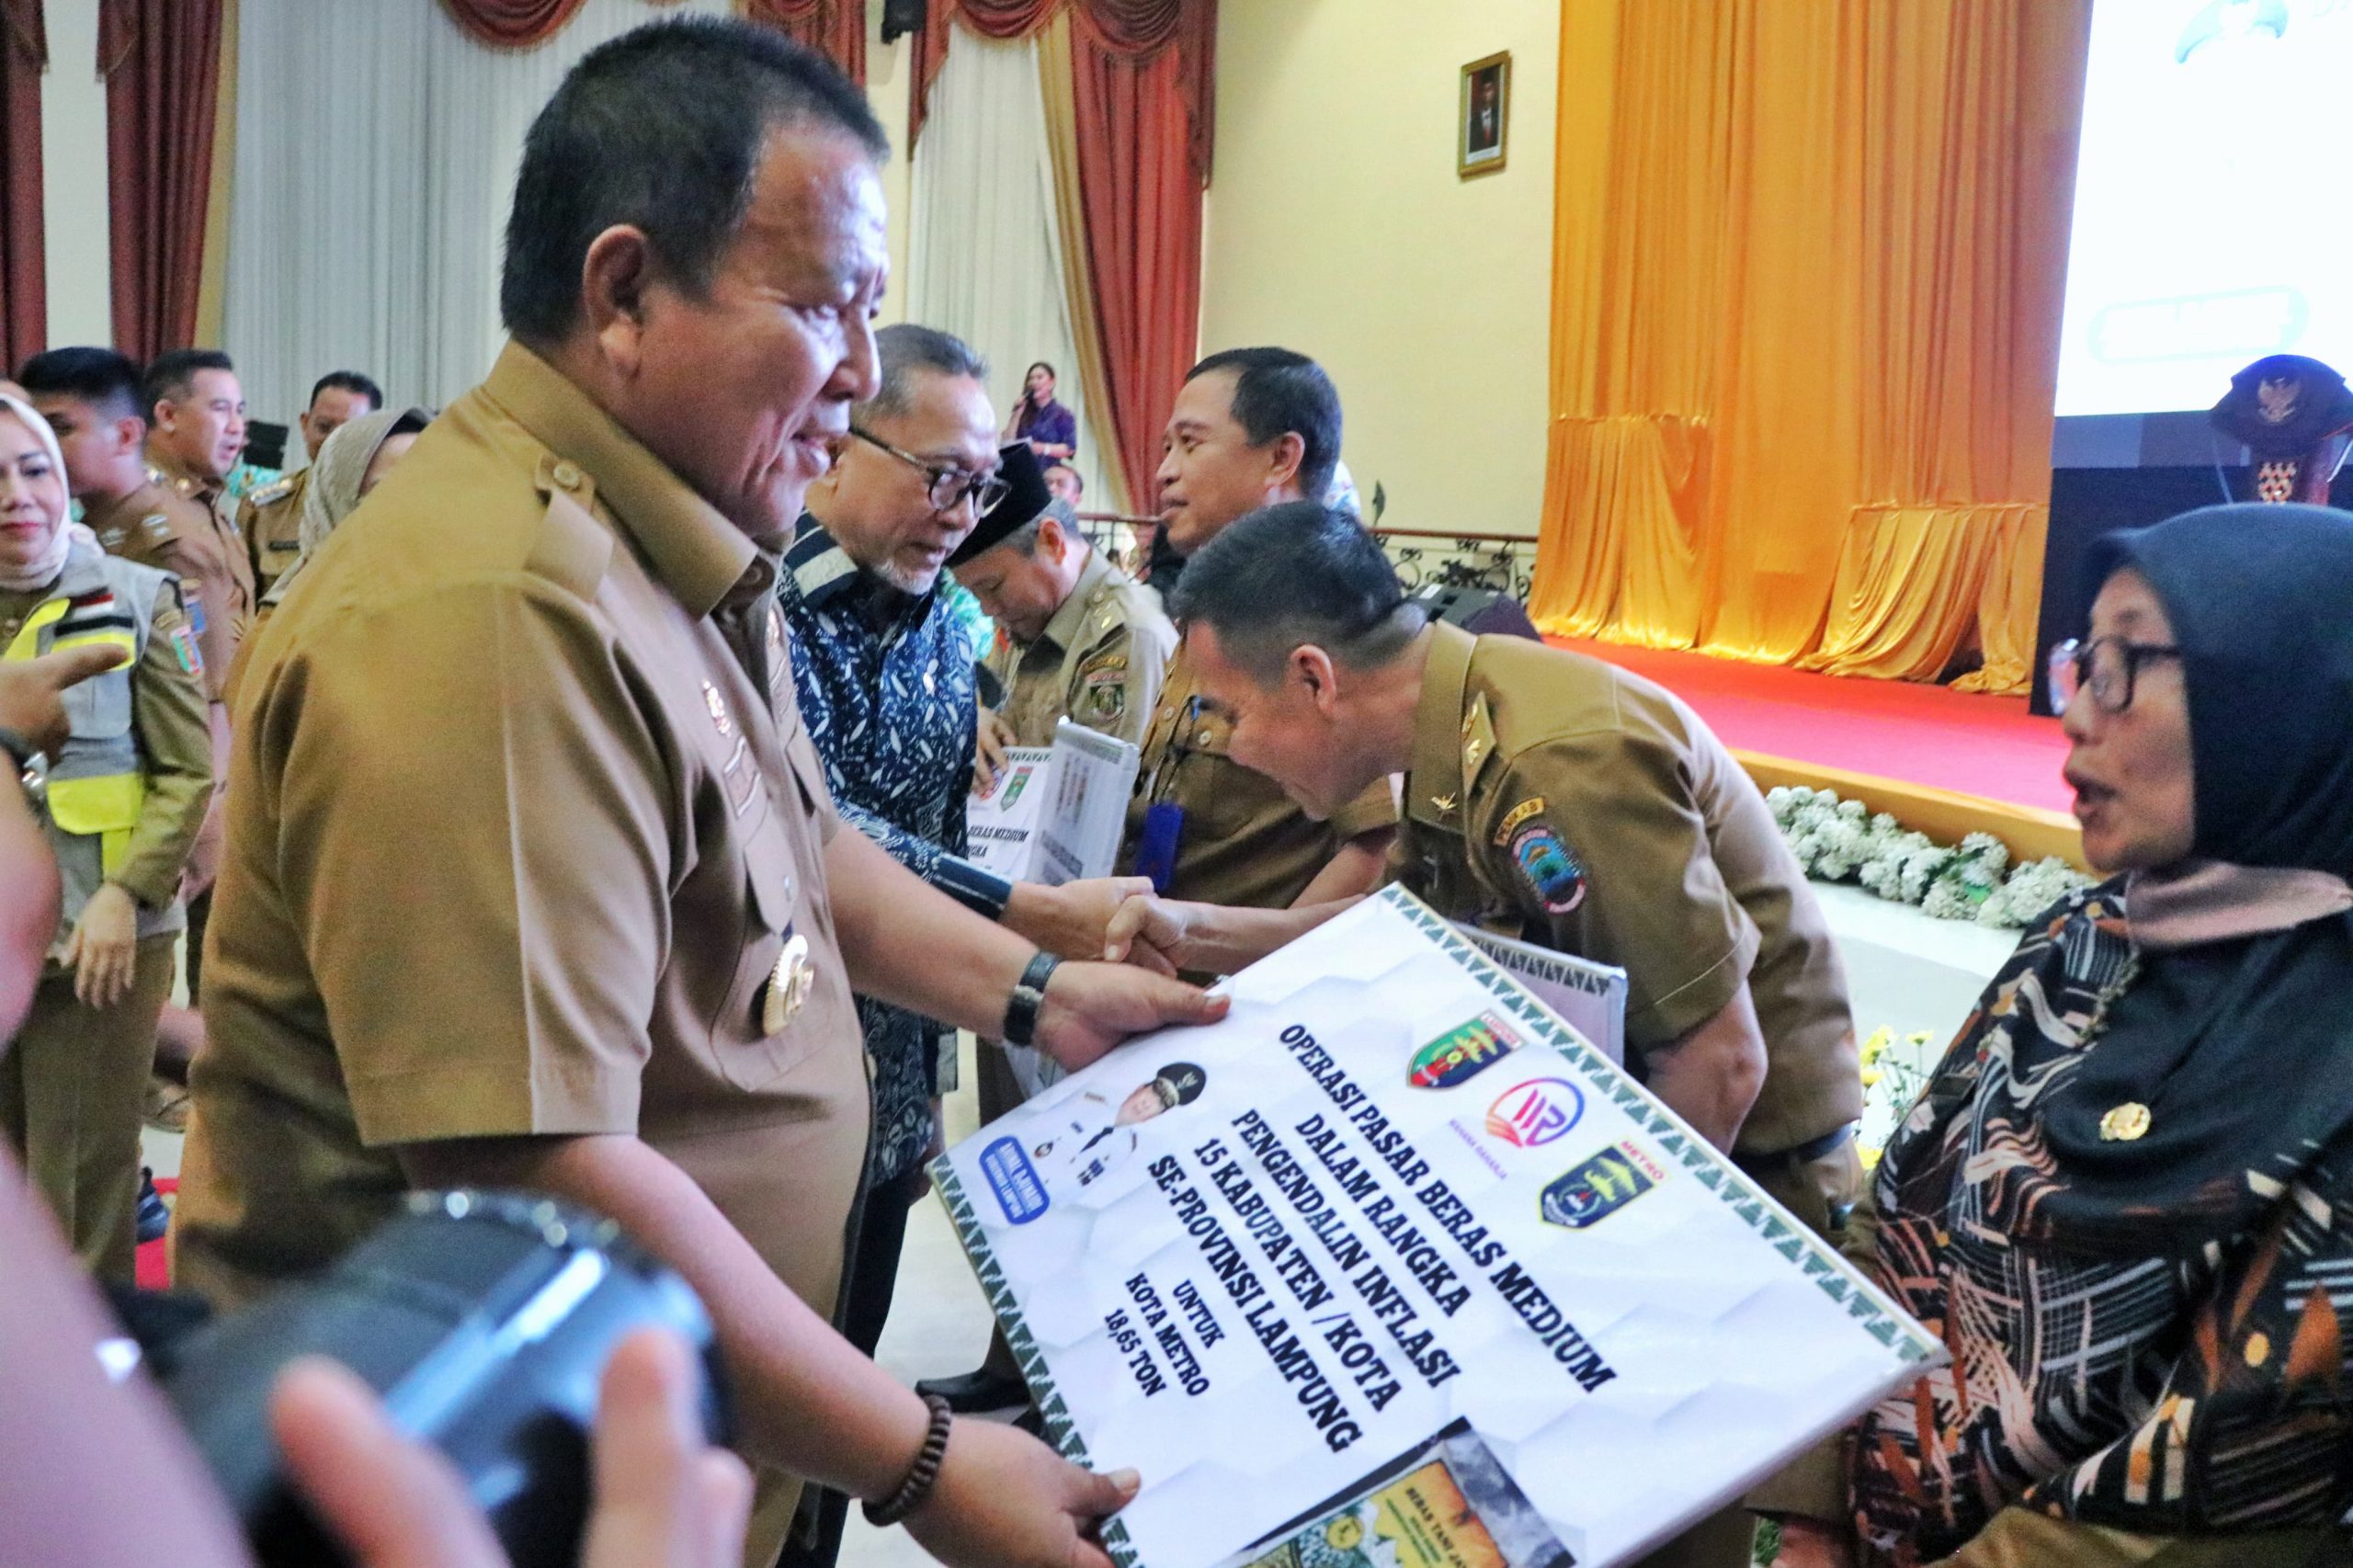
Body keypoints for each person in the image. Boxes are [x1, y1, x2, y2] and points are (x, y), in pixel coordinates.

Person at [170, 21, 1221, 1568]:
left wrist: (1041, 991)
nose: (861, 373)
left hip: (634, 1438)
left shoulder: (674, 550)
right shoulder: (494, 612)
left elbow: (803, 854)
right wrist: (923, 1461)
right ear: (624, 294)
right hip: (460, 1477)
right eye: (821, 307)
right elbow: (539, 1172)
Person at [1764, 504, 2353, 1568]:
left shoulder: (2333, 1063)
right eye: (2080, 661)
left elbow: (2197, 1508)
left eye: (2125, 665)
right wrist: (1812, 1510)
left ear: (2283, 697)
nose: (2077, 713)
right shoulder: (2088, 934)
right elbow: (1898, 1208)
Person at [779, 326, 1159, 1551]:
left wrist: (988, 742)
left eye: (981, 480)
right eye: (936, 474)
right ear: (837, 445)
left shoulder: (951, 617)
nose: (960, 510)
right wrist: (1036, 924)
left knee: (852, 1368)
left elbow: (943, 782)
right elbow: (814, 829)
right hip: (780, 1066)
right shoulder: (768, 609)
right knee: (765, 1414)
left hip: (904, 1068)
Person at [0, 392, 211, 1280]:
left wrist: (129, 896)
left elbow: (187, 772)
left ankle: (95, 1397)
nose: (16, 495)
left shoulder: (136, 597)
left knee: (81, 1199)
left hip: (103, 941)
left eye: (35, 468)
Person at [1124, 347, 1397, 916]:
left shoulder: (1327, 612)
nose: (1164, 471)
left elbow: (1375, 845)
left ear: (1280, 458)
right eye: (1166, 447)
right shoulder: (1221, 599)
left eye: (1191, 444)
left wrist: (1250, 972)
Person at [956, 461, 1174, 758]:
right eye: (973, 593)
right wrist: (979, 723)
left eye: (993, 586)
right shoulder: (1027, 617)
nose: (987, 608)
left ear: (1052, 541)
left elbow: (1105, 797)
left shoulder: (1124, 636)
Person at [222, 406, 429, 706]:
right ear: (337, 498)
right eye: (386, 492)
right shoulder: (282, 638)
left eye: (424, 488)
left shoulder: (453, 608)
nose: (411, 508)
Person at [238, 370, 384, 595]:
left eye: (348, 430)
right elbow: (242, 603)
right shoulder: (263, 509)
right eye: (324, 427)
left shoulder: (393, 505)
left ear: (376, 433)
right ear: (305, 424)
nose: (332, 441)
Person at [1029, 1061, 1205, 1195]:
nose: (1148, 1103)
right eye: (1154, 1091)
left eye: (1161, 1102)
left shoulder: (1123, 1150)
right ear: (1141, 1088)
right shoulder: (1087, 1102)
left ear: (1158, 1114)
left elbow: (1080, 1190)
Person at [1001, 359, 1075, 463]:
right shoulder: (1024, 411)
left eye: (1039, 377)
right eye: (1031, 379)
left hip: (1047, 472)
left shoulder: (1062, 414)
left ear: (1052, 383)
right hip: (1020, 468)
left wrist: (1043, 448)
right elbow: (1006, 442)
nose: (1034, 382)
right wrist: (1016, 414)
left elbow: (1070, 448)